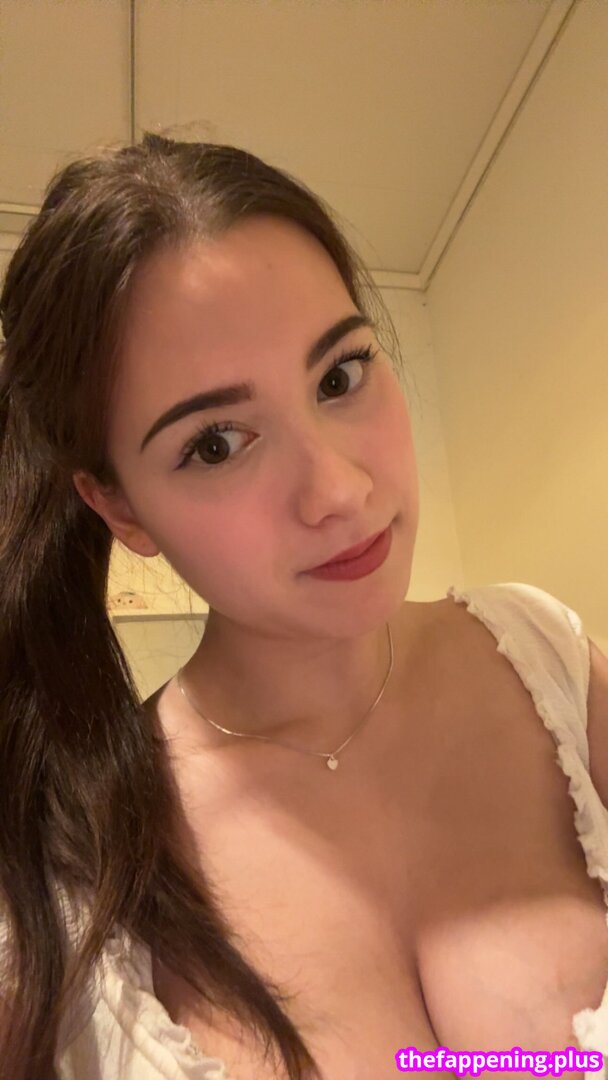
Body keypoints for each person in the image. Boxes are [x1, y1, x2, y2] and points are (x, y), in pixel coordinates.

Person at [0, 134, 607, 1080]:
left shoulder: (544, 657)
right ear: (120, 508)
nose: (338, 490)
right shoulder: (65, 883)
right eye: (215, 443)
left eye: (339, 376)